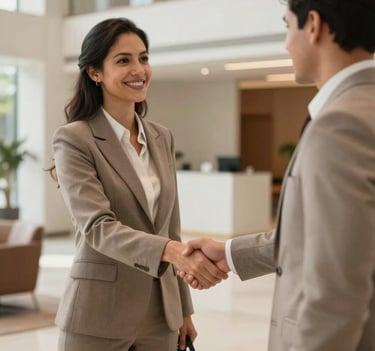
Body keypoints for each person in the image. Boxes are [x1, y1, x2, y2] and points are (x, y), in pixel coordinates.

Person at [179, 1, 375, 350]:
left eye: (287, 27)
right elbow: (338, 236)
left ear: (313, 25)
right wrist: (230, 252)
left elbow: (335, 294)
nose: (286, 43)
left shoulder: (339, 126)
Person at [52, 18, 227, 351]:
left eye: (143, 58)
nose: (139, 69)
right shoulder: (75, 139)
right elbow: (98, 227)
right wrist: (174, 253)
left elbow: (169, 227)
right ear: (95, 72)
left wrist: (183, 311)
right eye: (123, 60)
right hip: (97, 313)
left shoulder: (162, 137)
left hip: (161, 315)